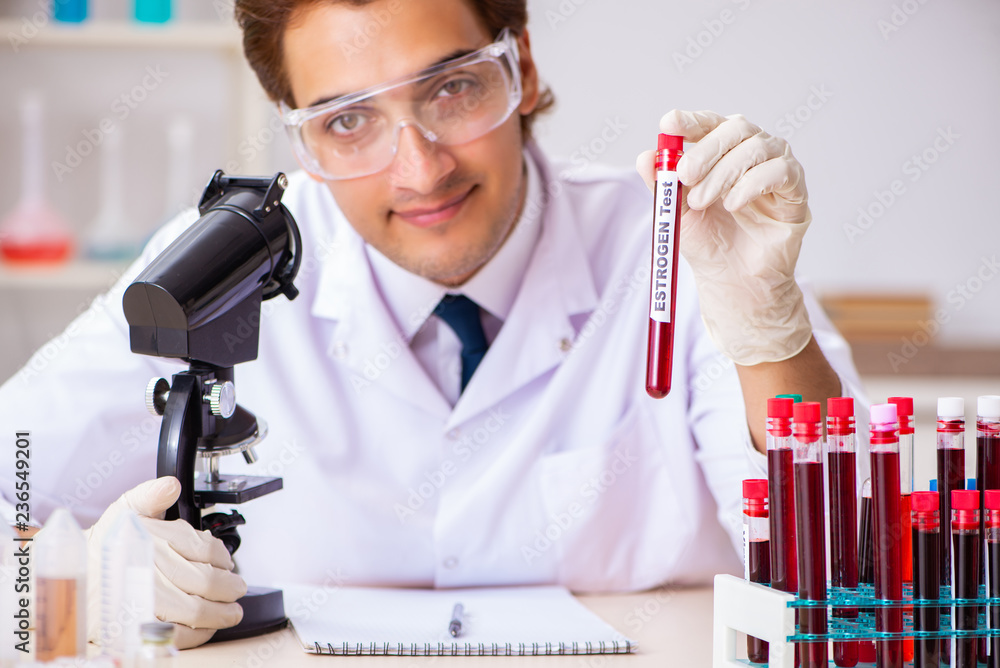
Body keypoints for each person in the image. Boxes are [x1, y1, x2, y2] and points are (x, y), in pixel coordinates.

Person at [0, 0, 867, 649]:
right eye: (347, 120)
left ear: (519, 63)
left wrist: (769, 333)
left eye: (452, 88)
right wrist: (61, 575)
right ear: (300, 141)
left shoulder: (677, 241)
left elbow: (847, 577)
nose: (418, 170)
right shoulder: (217, 270)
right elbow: (12, 471)